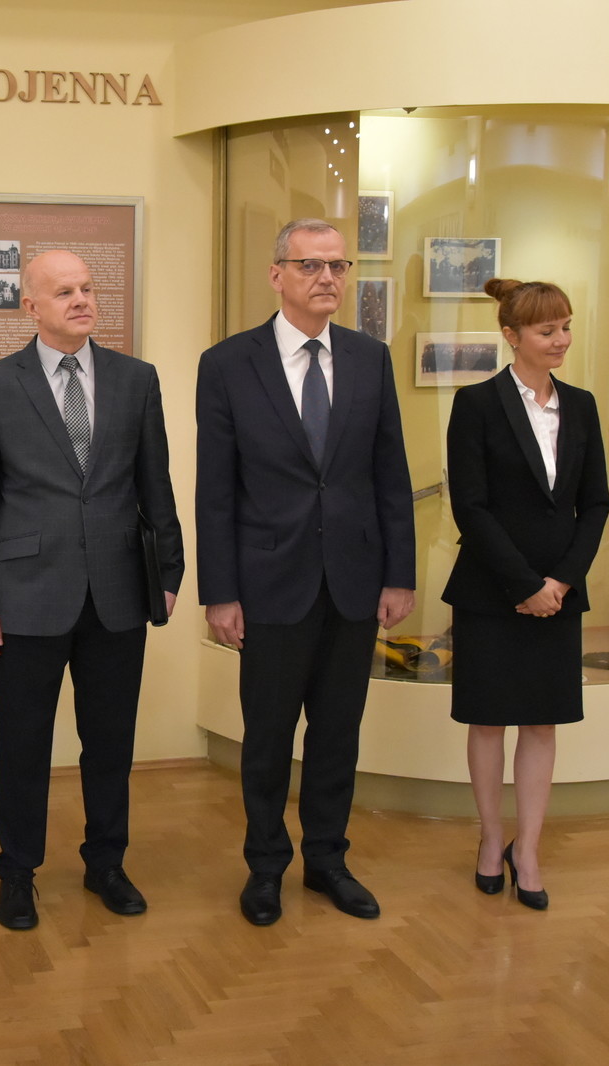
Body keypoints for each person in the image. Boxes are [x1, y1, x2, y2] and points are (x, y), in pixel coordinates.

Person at [195, 218, 415, 926]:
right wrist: (220, 593)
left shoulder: (369, 359)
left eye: (337, 266)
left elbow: (390, 474)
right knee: (267, 737)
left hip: (353, 581)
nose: (327, 278)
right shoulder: (228, 364)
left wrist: (399, 574)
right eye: (311, 265)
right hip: (268, 584)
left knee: (337, 734)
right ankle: (266, 867)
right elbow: (214, 489)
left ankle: (327, 860)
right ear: (277, 275)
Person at [0, 249, 183, 930]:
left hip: (119, 592)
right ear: (30, 306)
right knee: (23, 745)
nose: (82, 300)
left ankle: (106, 863)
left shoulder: (135, 379)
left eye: (87, 288)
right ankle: (17, 871)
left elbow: (157, 484)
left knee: (109, 742)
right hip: (26, 594)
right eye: (64, 292)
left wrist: (168, 573)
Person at [443, 277, 609, 910]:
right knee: (488, 721)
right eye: (547, 330)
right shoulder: (476, 403)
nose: (561, 339)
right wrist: (525, 585)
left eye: (566, 327)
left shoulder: (583, 406)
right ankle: (491, 841)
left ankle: (529, 850)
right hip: (492, 590)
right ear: (511, 335)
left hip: (559, 595)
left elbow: (596, 503)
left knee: (542, 722)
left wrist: (560, 582)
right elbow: (471, 506)